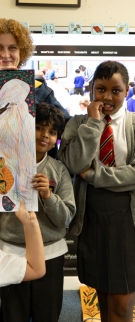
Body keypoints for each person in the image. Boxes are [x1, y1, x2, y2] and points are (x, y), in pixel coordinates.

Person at [0, 103, 76, 322]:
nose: (45, 135)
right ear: (27, 127)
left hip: (51, 255)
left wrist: (49, 196)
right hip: (10, 253)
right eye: (39, 128)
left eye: (52, 132)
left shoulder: (59, 170)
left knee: (46, 315)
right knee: (11, 315)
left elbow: (65, 218)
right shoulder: (2, 167)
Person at [58, 61, 135, 322]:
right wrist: (94, 123)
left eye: (116, 90)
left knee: (123, 303)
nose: (108, 97)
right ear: (91, 89)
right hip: (91, 215)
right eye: (101, 89)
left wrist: (94, 176)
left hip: (127, 218)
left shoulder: (133, 124)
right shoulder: (78, 123)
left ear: (127, 91)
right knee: (101, 293)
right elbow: (73, 163)